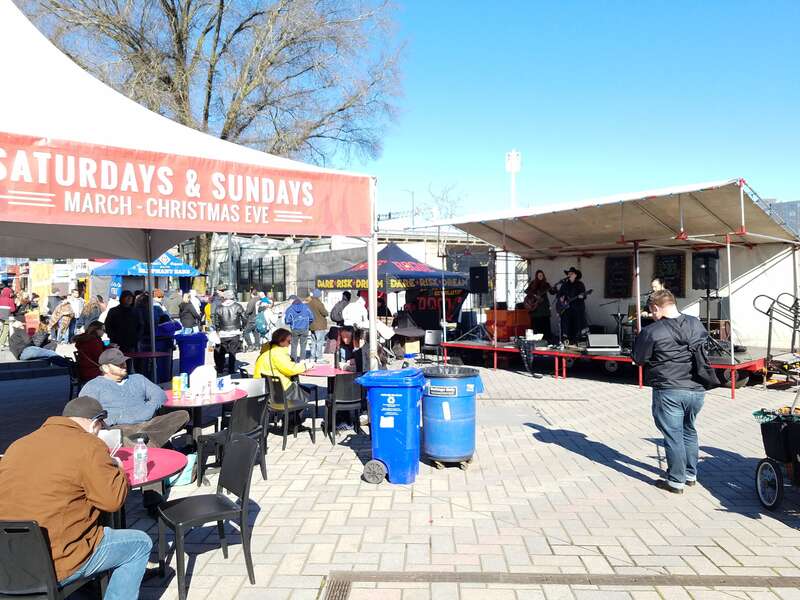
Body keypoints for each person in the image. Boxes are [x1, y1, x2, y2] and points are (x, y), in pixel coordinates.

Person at [0, 396, 151, 599]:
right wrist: (119, 470)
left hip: (9, 562)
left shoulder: (18, 445)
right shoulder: (89, 444)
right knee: (140, 543)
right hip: (58, 563)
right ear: (95, 425)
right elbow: (112, 501)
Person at [632, 289, 709, 494]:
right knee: (689, 430)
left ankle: (676, 481)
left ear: (657, 308)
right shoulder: (696, 323)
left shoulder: (652, 331)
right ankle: (691, 475)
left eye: (652, 311)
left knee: (673, 435)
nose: (652, 315)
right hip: (697, 389)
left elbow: (639, 359)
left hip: (669, 389)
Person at [80, 348, 189, 448]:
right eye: (118, 363)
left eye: (124, 361)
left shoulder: (137, 378)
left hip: (149, 424)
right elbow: (85, 413)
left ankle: (143, 443)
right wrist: (115, 419)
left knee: (182, 415)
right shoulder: (93, 386)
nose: (123, 365)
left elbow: (159, 394)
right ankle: (148, 444)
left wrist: (147, 410)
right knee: (121, 436)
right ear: (105, 368)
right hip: (119, 427)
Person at [212, 289, 245, 374]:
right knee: (232, 352)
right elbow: (245, 318)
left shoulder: (219, 307)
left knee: (221, 352)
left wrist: (218, 330)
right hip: (235, 332)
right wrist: (242, 327)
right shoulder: (238, 306)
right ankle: (231, 369)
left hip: (223, 333)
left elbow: (215, 321)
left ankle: (220, 368)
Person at [555, 267, 587, 345]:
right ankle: (565, 340)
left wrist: (582, 296)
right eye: (569, 273)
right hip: (566, 310)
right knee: (566, 326)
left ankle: (576, 341)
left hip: (577, 309)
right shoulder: (564, 285)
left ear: (575, 275)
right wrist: (561, 298)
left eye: (571, 273)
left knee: (577, 327)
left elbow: (584, 295)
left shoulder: (580, 284)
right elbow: (559, 295)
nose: (569, 275)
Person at [524, 269, 555, 341]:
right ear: (536, 276)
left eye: (541, 275)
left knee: (545, 324)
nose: (540, 276)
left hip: (544, 308)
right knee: (536, 325)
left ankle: (546, 340)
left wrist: (554, 289)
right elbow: (526, 291)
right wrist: (534, 295)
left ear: (543, 276)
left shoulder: (546, 284)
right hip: (535, 308)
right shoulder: (533, 283)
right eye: (539, 275)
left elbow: (552, 292)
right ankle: (535, 340)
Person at [283, 295, 314, 362]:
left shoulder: (290, 309)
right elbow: (311, 318)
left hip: (294, 329)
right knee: (303, 345)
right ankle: (302, 359)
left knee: (294, 345)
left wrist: (292, 323)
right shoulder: (306, 307)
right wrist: (307, 323)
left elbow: (287, 320)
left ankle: (293, 360)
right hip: (304, 328)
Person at [307, 289, 329, 363]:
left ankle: (312, 357)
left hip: (312, 325)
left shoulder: (309, 303)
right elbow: (325, 313)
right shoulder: (318, 303)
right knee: (319, 342)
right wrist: (326, 312)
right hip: (319, 325)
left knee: (313, 342)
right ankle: (319, 358)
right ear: (318, 295)